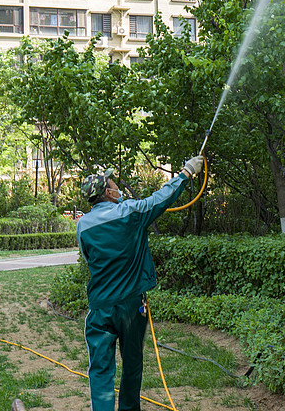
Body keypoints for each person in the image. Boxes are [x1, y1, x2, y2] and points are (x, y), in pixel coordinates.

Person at [77, 155, 205, 411]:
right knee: (132, 364)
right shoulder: (131, 213)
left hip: (100, 307)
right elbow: (161, 198)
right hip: (131, 307)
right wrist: (186, 172)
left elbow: (89, 258)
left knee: (100, 370)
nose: (117, 188)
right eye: (113, 184)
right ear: (107, 193)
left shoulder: (82, 226)